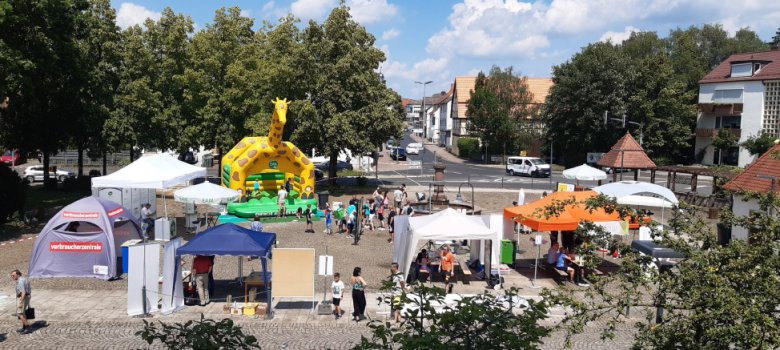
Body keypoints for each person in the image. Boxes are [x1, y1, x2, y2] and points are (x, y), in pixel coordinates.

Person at [11, 270, 31, 334]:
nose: (12, 277)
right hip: (26, 297)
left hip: (23, 298)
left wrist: (21, 302)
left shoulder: (20, 281)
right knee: (23, 313)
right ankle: (24, 327)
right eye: (11, 276)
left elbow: (23, 292)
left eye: (13, 275)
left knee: (20, 314)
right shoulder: (24, 279)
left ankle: (27, 328)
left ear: (18, 275)